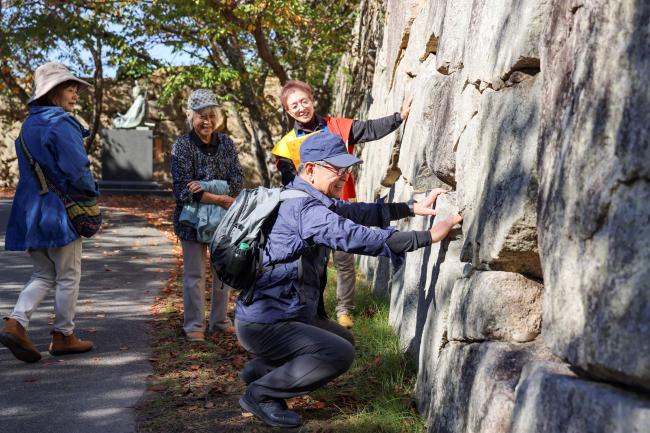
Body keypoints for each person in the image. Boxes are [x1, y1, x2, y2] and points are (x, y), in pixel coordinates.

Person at [236, 132, 462, 428]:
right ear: (311, 169)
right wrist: (425, 237)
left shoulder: (306, 196)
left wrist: (409, 207)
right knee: (336, 353)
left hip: (281, 313)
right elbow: (353, 235)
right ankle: (261, 394)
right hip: (268, 321)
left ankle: (261, 371)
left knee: (343, 339)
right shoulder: (304, 208)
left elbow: (356, 212)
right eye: (336, 169)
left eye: (347, 169)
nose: (344, 176)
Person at [272, 79, 412, 329]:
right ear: (287, 111)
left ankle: (344, 309)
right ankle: (313, 313)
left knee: (344, 260)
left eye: (304, 101)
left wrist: (398, 117)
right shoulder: (285, 146)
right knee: (311, 265)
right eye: (294, 105)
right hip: (309, 212)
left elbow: (369, 129)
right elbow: (288, 184)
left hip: (342, 204)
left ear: (312, 100)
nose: (301, 107)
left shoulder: (337, 126)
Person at [0, 61, 99, 363]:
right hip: (60, 211)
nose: (75, 94)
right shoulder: (61, 122)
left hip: (31, 211)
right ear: (54, 92)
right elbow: (77, 168)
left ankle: (16, 323)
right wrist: (90, 196)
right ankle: (63, 336)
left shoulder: (29, 124)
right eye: (70, 88)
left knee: (43, 272)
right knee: (68, 274)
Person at [171, 89, 244, 342]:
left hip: (223, 219)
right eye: (201, 116)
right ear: (190, 116)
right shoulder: (182, 145)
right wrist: (220, 195)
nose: (207, 122)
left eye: (211, 116)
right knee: (194, 274)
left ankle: (220, 321)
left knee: (223, 271)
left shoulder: (226, 143)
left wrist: (206, 188)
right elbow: (182, 189)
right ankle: (193, 325)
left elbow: (236, 179)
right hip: (191, 221)